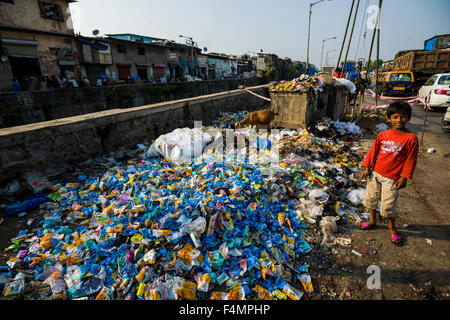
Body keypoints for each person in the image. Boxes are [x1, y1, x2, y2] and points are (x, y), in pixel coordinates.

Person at [360, 101, 419, 246]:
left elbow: (410, 160)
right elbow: (373, 151)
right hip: (375, 173)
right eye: (395, 117)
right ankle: (372, 220)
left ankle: (392, 229)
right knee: (371, 199)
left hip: (392, 178)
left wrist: (404, 177)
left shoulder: (411, 138)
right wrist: (367, 168)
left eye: (403, 117)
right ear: (389, 118)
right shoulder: (383, 135)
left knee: (388, 205)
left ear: (408, 118)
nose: (399, 120)